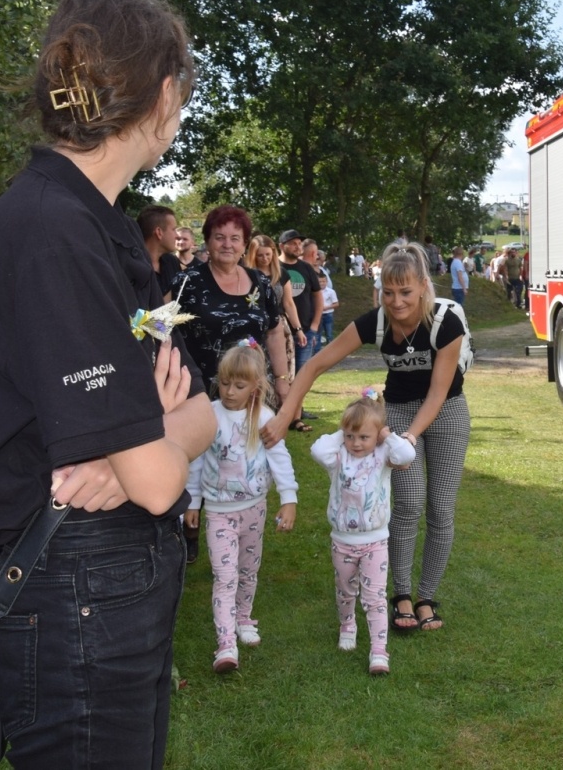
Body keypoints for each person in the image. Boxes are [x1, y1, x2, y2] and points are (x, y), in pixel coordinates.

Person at [0, 0, 215, 769]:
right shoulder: (53, 232)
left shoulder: (108, 231)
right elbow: (164, 478)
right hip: (77, 590)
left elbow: (202, 407)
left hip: (109, 581)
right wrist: (147, 448)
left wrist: (140, 446)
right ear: (163, 95)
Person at [276, 243, 468, 634]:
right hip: (396, 411)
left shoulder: (446, 324)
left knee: (441, 509)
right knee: (408, 502)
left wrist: (410, 439)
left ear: (423, 287)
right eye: (388, 292)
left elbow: (437, 392)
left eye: (406, 292)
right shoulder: (374, 322)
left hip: (446, 411)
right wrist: (284, 416)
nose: (396, 301)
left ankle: (426, 596)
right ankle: (399, 594)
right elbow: (315, 364)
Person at [185, 341, 298, 673]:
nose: (229, 392)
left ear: (255, 387)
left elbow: (281, 460)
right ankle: (225, 645)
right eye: (224, 383)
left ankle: (244, 618)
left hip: (254, 510)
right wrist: (192, 500)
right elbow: (196, 461)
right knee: (224, 576)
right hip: (219, 511)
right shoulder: (209, 416)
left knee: (248, 570)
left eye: (239, 385)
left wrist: (289, 499)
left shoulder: (264, 418)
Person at [308, 387, 416, 675]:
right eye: (350, 436)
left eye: (364, 436)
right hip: (342, 541)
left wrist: (386, 436)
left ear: (378, 435)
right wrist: (341, 430)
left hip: (375, 542)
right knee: (345, 590)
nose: (356, 443)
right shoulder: (338, 457)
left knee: (375, 597)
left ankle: (379, 651)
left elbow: (407, 454)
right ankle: (347, 626)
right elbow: (317, 449)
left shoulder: (383, 456)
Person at [174, 206, 298, 430]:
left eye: (235, 238)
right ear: (208, 241)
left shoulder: (260, 281)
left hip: (254, 391)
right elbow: (167, 333)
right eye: (219, 237)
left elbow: (274, 330)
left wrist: (281, 380)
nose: (227, 244)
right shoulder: (186, 282)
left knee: (256, 455)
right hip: (202, 395)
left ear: (244, 244)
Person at [279, 229, 323, 369]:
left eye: (299, 243)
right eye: (293, 244)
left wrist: (314, 326)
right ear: (281, 246)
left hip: (305, 331)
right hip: (279, 332)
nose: (298, 247)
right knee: (281, 374)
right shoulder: (273, 267)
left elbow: (318, 296)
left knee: (301, 373)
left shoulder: (306, 268)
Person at [137, 204, 181, 297]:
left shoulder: (172, 262)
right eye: (174, 229)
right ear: (159, 232)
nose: (177, 236)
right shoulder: (131, 267)